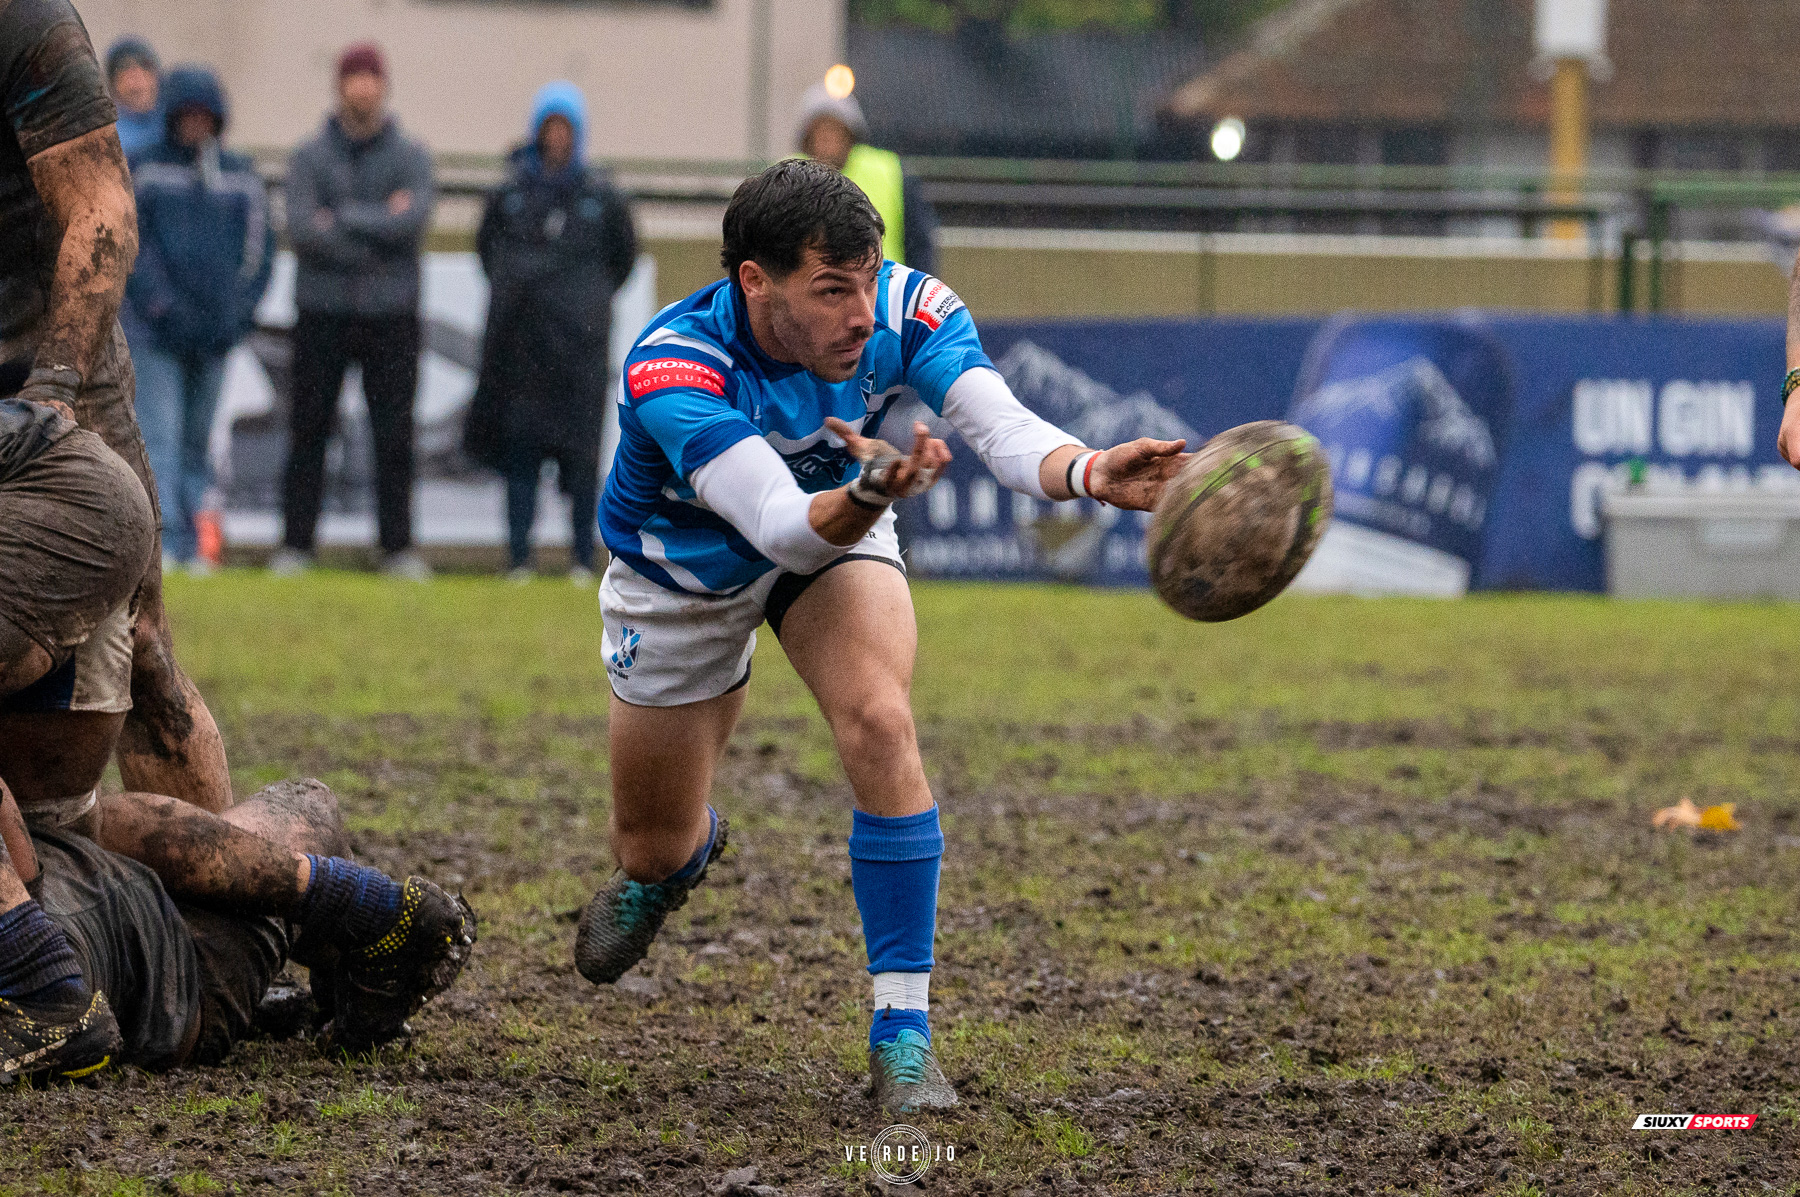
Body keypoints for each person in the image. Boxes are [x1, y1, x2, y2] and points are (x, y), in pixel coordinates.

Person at [573, 160, 1188, 1114]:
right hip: (686, 579)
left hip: (840, 535)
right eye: (831, 290)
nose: (861, 314)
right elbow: (774, 522)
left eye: (868, 280)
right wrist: (863, 492)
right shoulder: (674, 363)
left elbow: (1001, 427)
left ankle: (902, 1032)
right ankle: (681, 860)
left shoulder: (904, 308)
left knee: (879, 721)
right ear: (755, 284)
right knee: (649, 845)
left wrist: (1092, 469)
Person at [0, 399, 475, 1078]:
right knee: (271, 800)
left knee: (118, 816)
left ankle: (342, 909)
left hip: (175, 960)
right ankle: (352, 906)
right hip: (180, 954)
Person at [0, 0, 235, 813]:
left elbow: (102, 208)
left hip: (54, 353)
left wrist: (55, 384)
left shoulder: (22, 20)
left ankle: (224, 927)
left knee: (141, 647)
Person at [274, 42, 435, 581]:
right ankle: (296, 546)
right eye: (354, 77)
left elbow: (410, 224)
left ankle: (397, 548)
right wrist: (375, 224)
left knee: (393, 434)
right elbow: (302, 229)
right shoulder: (308, 157)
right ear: (340, 86)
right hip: (322, 312)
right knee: (308, 430)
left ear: (382, 86)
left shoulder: (411, 156)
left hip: (392, 316)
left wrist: (339, 218)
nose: (362, 87)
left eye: (371, 78)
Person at [469, 82, 637, 584]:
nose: (558, 137)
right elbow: (488, 252)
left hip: (579, 351)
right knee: (520, 454)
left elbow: (621, 258)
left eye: (566, 127)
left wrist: (582, 302)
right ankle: (518, 555)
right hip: (521, 349)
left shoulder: (602, 197)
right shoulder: (510, 194)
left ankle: (581, 559)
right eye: (550, 127)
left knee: (583, 460)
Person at [124, 65, 274, 573]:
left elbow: (259, 254)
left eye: (204, 116)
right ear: (170, 117)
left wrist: (236, 314)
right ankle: (161, 547)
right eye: (186, 115)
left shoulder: (240, 174)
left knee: (196, 445)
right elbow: (132, 250)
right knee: (158, 442)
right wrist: (164, 308)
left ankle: (195, 547)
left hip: (215, 337)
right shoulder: (144, 171)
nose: (195, 124)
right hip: (156, 335)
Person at [796, 83, 937, 276]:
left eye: (836, 131)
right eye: (820, 132)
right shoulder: (785, 177)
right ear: (807, 139)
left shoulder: (889, 170)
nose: (828, 141)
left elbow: (919, 243)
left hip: (885, 293)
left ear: (851, 136)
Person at [104, 36, 160, 158]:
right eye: (125, 67)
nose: (137, 77)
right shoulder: (108, 133)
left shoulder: (172, 121)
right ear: (113, 83)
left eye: (144, 66)